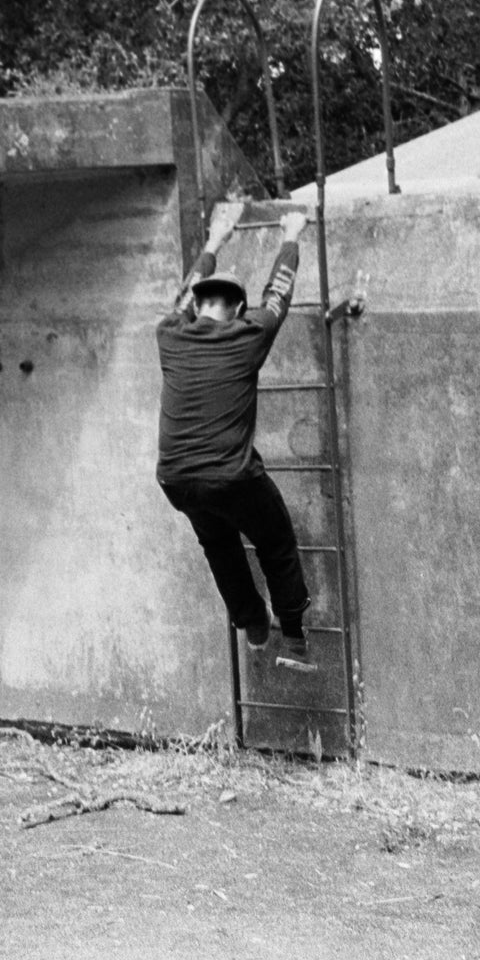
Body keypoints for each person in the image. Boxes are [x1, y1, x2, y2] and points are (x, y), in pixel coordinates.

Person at [156, 201, 320, 673]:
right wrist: (292, 234)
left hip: (176, 479)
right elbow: (278, 295)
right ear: (237, 311)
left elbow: (181, 298)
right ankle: (293, 637)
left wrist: (216, 239)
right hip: (231, 476)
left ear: (195, 308)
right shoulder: (248, 335)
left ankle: (252, 622)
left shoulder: (169, 334)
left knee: (218, 542)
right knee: (275, 540)